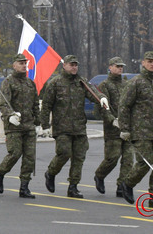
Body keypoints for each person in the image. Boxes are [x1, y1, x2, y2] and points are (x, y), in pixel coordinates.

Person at [40, 54, 108, 198]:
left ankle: (73, 186)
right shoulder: (56, 83)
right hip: (62, 127)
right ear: (64, 66)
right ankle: (51, 173)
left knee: (79, 157)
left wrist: (101, 98)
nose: (74, 67)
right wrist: (45, 124)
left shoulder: (81, 82)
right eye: (71, 64)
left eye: (76, 64)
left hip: (79, 127)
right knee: (64, 153)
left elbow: (93, 92)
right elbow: (46, 105)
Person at [119, 51, 153, 209]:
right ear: (143, 63)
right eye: (149, 61)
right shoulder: (136, 82)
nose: (152, 64)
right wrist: (125, 129)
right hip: (141, 132)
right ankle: (127, 184)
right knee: (144, 163)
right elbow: (124, 106)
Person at [0, 54, 41, 199]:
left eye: (25, 63)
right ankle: (0, 174)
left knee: (29, 157)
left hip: (28, 125)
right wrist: (10, 116)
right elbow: (4, 103)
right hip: (14, 125)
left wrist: (38, 123)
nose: (23, 65)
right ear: (14, 65)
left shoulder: (30, 83)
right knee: (15, 153)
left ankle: (24, 187)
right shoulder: (8, 82)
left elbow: (35, 104)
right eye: (20, 63)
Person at [93, 56, 132, 198]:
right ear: (110, 67)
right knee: (112, 158)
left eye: (121, 66)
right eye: (117, 66)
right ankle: (100, 175)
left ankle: (122, 186)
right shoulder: (105, 85)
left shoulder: (126, 84)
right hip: (113, 128)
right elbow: (103, 107)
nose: (120, 68)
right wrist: (112, 120)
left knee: (128, 159)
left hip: (127, 127)